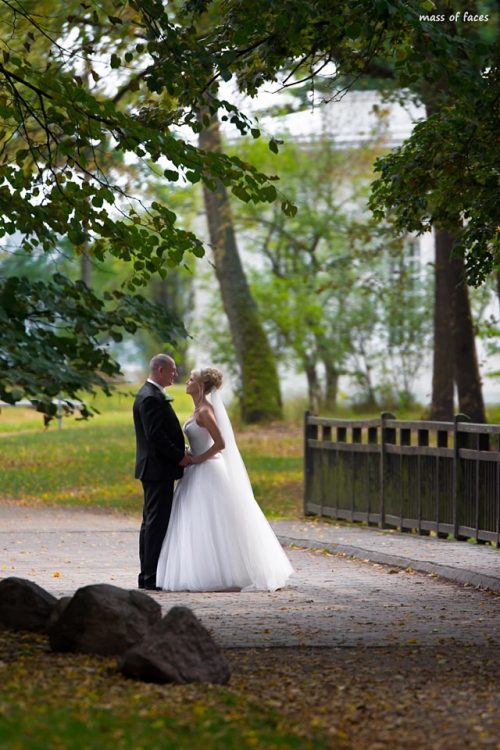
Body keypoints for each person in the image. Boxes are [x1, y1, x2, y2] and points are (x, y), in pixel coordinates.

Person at [156, 367, 294, 592]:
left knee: (212, 521)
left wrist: (198, 459)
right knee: (197, 522)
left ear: (200, 386)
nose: (186, 382)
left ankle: (224, 573)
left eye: (191, 379)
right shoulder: (198, 410)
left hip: (207, 470)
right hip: (196, 470)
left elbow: (221, 444)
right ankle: (203, 571)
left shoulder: (204, 412)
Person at [133, 354, 192, 591]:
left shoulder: (151, 394)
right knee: (155, 524)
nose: (176, 374)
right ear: (160, 371)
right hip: (157, 469)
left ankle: (147, 576)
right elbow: (155, 436)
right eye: (173, 370)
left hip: (156, 469)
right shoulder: (150, 398)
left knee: (151, 523)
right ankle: (150, 577)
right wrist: (179, 456)